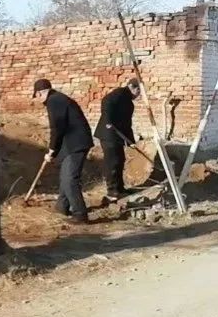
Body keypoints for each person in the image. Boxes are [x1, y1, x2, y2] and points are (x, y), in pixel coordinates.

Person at [33, 79, 94, 224]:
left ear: (40, 93)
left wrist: (51, 150)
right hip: (71, 143)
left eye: (36, 96)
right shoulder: (58, 99)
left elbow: (57, 128)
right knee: (65, 176)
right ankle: (62, 206)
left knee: (70, 179)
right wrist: (55, 152)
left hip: (76, 143)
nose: (38, 100)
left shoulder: (54, 101)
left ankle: (80, 214)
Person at [94, 78, 141, 199]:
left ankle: (120, 188)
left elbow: (127, 124)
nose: (138, 94)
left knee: (120, 160)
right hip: (109, 134)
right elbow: (106, 101)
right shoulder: (120, 93)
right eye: (138, 90)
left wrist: (131, 142)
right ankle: (112, 190)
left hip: (117, 136)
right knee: (113, 162)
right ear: (131, 86)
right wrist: (108, 121)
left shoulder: (128, 103)